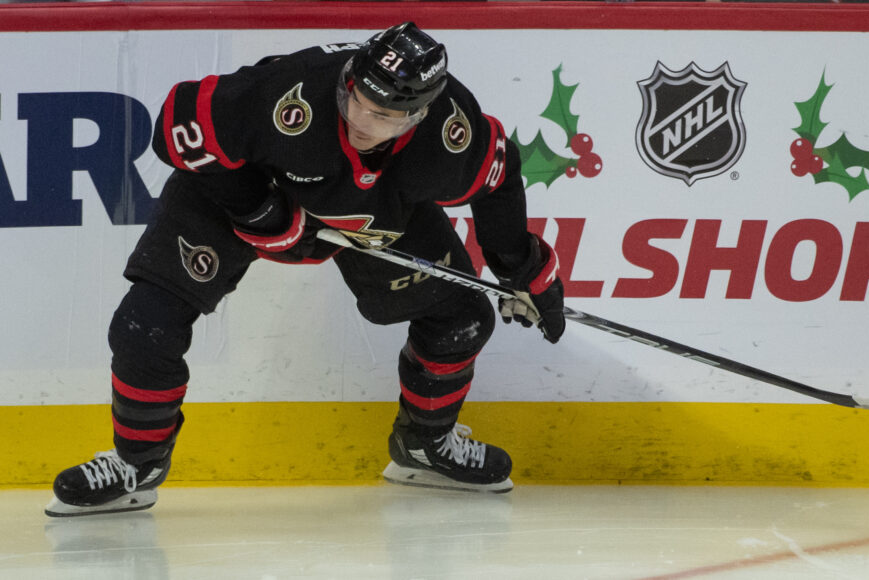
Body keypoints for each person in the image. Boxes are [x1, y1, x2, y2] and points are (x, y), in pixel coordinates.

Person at [45, 22, 565, 517]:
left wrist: (523, 270)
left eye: (384, 116)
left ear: (419, 115)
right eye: (356, 100)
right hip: (248, 186)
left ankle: (424, 447)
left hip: (369, 208)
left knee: (462, 320)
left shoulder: (450, 134)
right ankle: (137, 464)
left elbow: (498, 179)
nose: (361, 121)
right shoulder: (290, 91)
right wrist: (258, 211)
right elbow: (177, 124)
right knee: (144, 326)